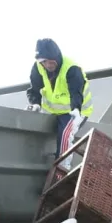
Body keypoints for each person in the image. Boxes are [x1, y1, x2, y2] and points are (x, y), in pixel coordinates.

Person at [26, 38, 93, 171]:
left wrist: (76, 109)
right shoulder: (38, 68)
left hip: (76, 110)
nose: (48, 65)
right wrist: (36, 103)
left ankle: (62, 169)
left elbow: (76, 92)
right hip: (53, 111)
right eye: (44, 61)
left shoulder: (71, 69)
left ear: (56, 57)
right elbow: (34, 89)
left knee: (66, 133)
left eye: (51, 61)